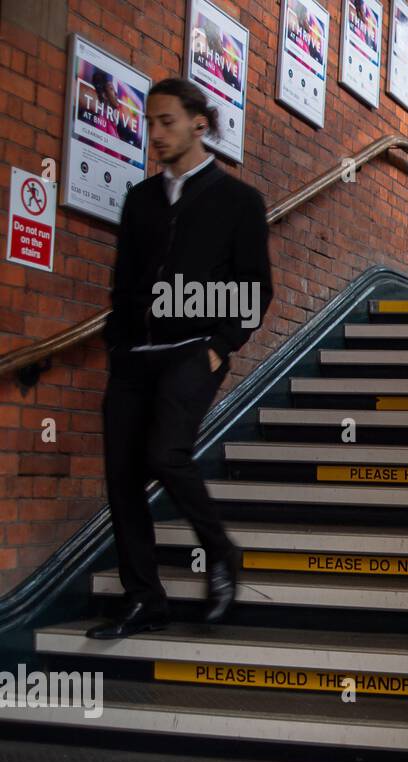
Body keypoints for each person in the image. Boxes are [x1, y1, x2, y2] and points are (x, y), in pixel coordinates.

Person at [87, 77, 273, 639]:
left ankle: (221, 553)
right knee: (121, 478)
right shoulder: (140, 199)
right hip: (133, 357)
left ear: (199, 122)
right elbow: (124, 280)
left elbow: (256, 287)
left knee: (166, 454)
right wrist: (118, 342)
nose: (156, 133)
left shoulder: (240, 201)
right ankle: (145, 599)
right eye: (150, 122)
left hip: (193, 352)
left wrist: (220, 347)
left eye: (166, 121)